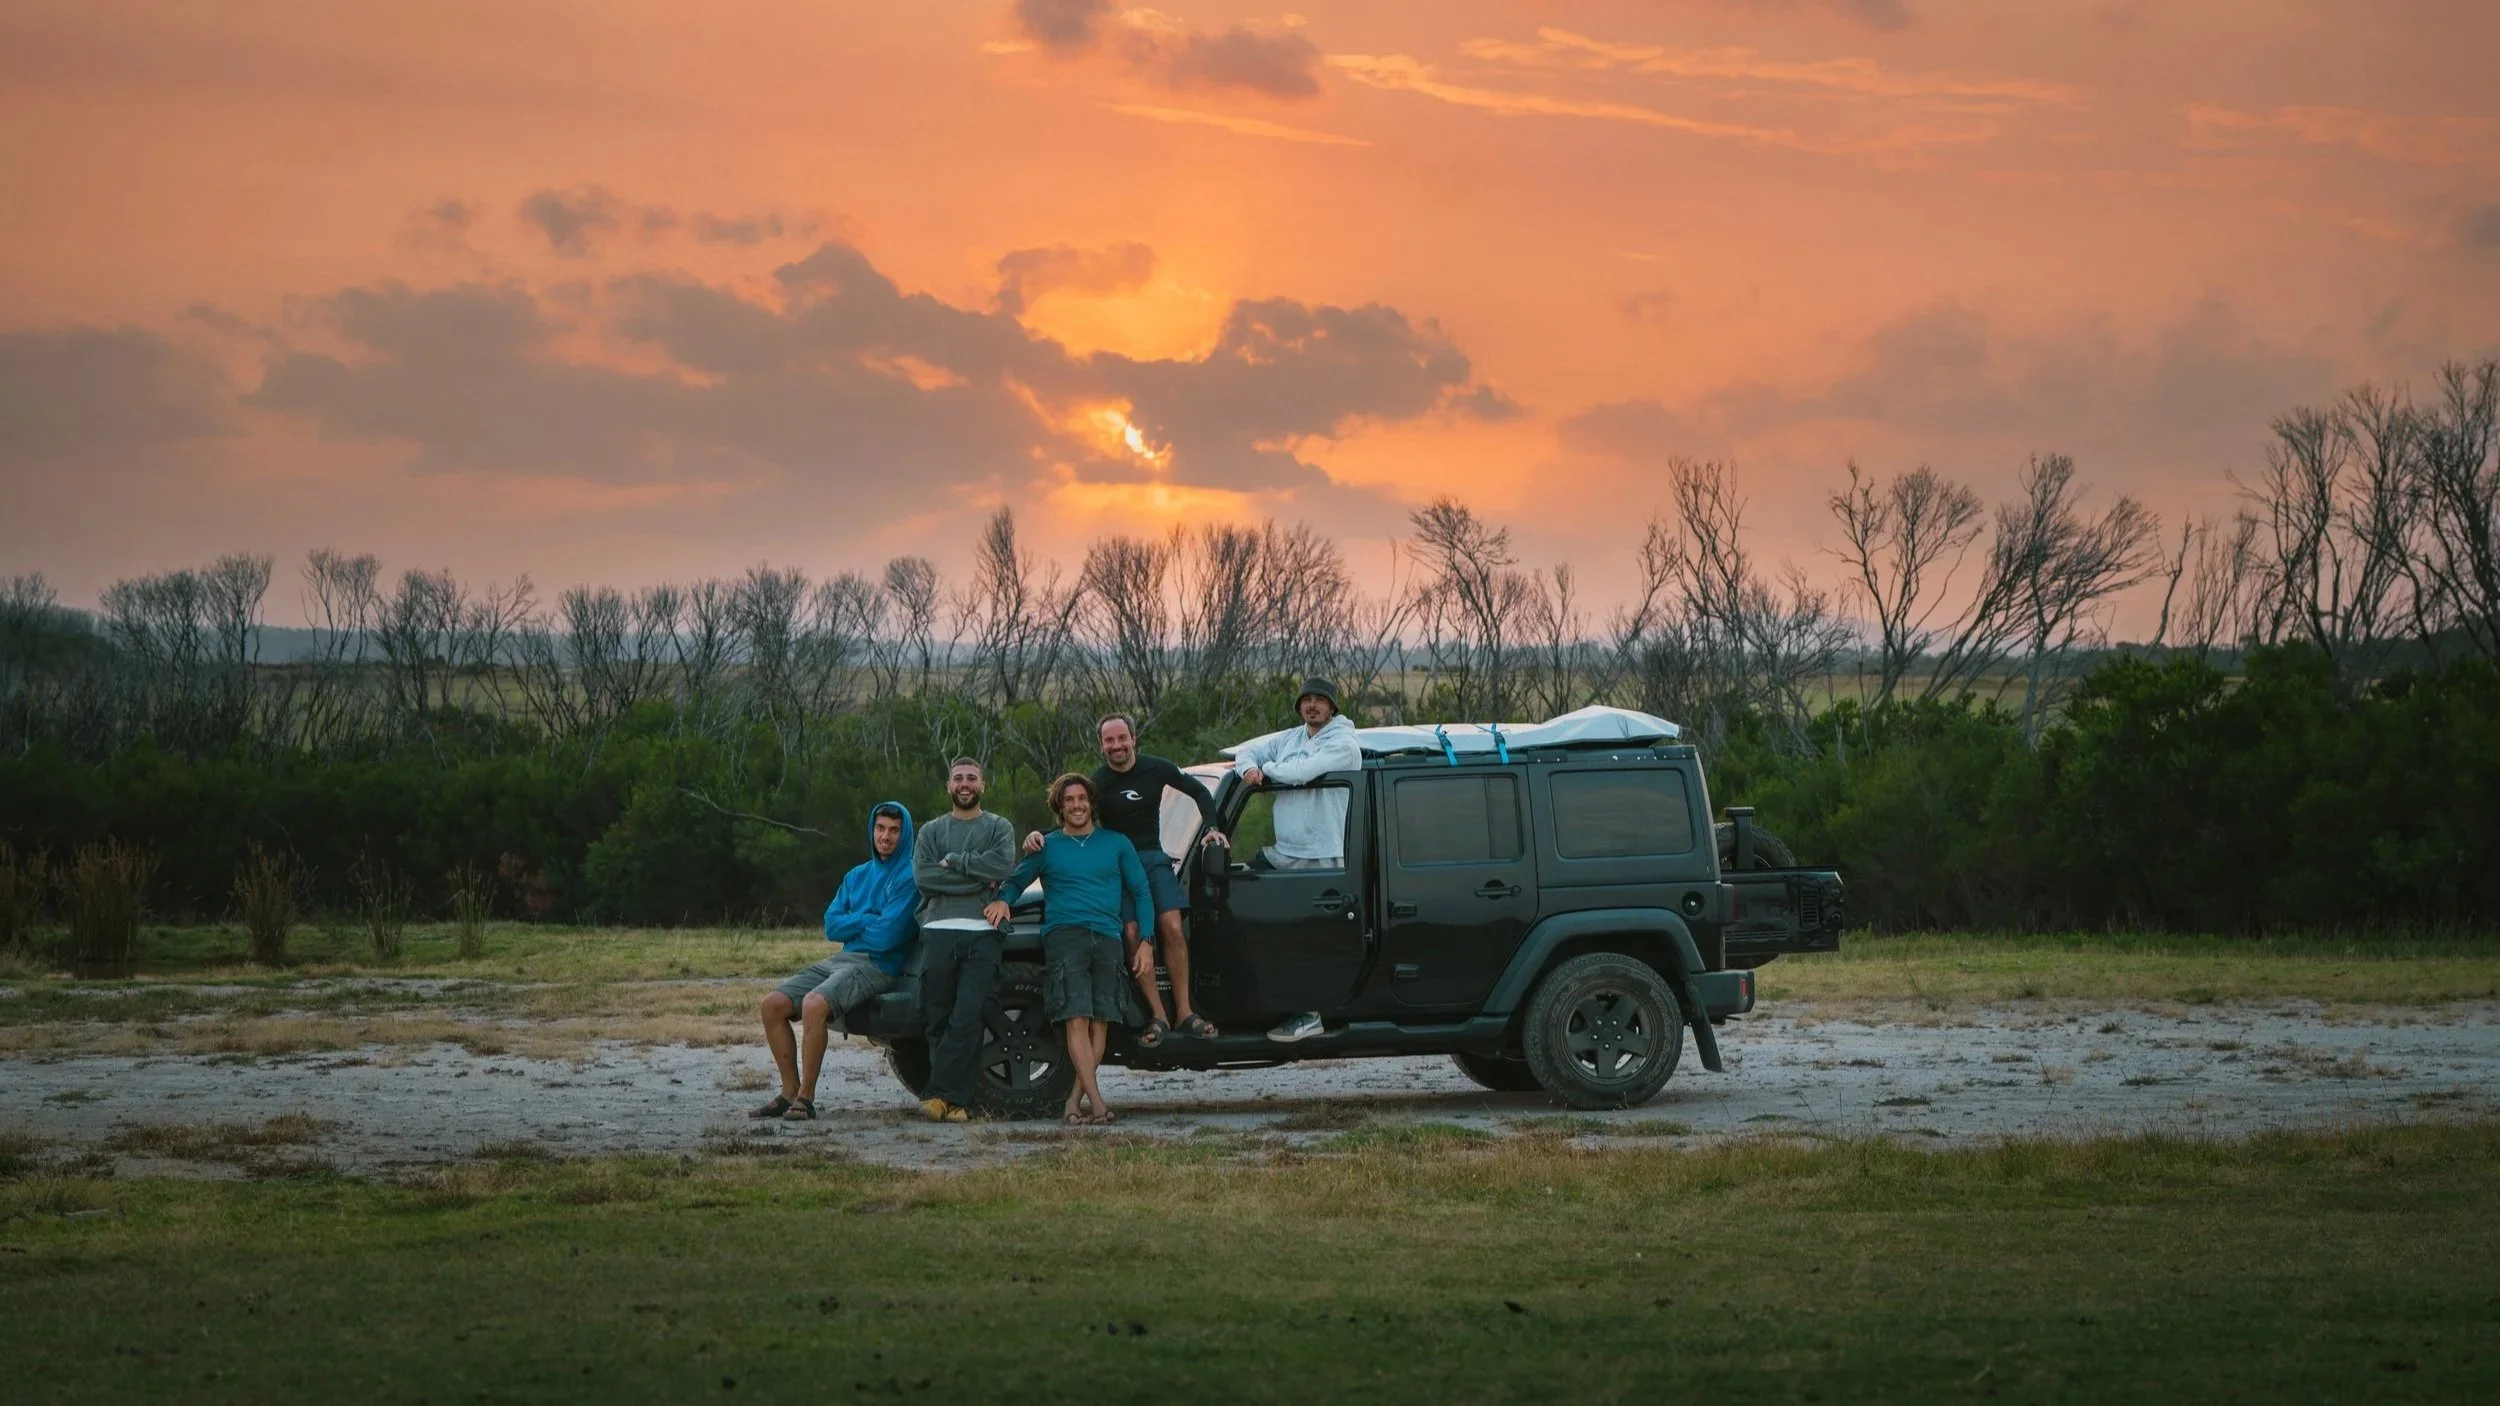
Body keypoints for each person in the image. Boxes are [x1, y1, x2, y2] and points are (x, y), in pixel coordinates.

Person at [1023, 712, 1221, 1043]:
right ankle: (1158, 1015)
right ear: (1102, 745)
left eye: (1121, 738)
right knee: (1131, 933)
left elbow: (1199, 792)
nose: (1117, 745)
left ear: (1133, 739)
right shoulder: (1097, 783)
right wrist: (1038, 835)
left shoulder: (1157, 768)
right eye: (1109, 740)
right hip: (1116, 863)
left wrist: (1212, 828)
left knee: (1171, 925)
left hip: (1152, 858)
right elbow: (1076, 817)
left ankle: (1185, 1011)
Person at [990, 774, 1151, 1124]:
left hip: (1107, 937)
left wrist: (1147, 942)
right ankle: (1098, 1105)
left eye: (1081, 799)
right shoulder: (1047, 846)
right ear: (1059, 808)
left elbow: (1141, 892)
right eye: (1069, 801)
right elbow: (1017, 880)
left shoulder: (1117, 843)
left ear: (1091, 802)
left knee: (1100, 1024)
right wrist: (1003, 901)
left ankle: (1072, 1103)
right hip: (1066, 938)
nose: (1076, 805)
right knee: (1075, 1018)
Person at [752, 801, 916, 1122]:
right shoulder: (857, 875)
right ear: (871, 830)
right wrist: (869, 916)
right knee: (772, 1005)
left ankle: (806, 1099)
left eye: (894, 830)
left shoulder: (909, 876)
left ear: (905, 834)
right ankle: (788, 1091)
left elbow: (887, 939)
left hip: (879, 965)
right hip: (842, 958)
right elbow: (832, 925)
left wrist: (855, 922)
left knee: (814, 1004)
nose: (886, 836)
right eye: (880, 828)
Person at [1229, 676, 1363, 1043]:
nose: (1313, 705)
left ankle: (1311, 1012)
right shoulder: (1291, 738)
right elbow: (1246, 752)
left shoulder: (1344, 743)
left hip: (1325, 858)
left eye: (1320, 700)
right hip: (1285, 853)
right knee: (1239, 898)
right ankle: (1250, 1000)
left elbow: (1302, 773)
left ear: (1333, 706)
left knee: (1310, 936)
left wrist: (1266, 771)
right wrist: (1248, 770)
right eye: (1307, 700)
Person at [912, 757, 1017, 1123]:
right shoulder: (929, 831)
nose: (965, 783)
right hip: (938, 930)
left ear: (983, 785)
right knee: (937, 1016)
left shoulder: (998, 827)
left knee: (968, 1016)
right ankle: (956, 1102)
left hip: (983, 932)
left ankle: (938, 1094)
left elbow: (1002, 867)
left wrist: (954, 860)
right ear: (949, 786)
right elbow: (925, 878)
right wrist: (976, 878)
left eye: (972, 778)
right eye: (958, 778)